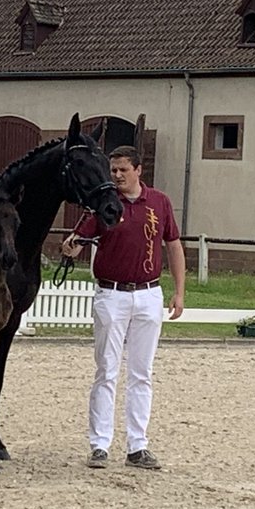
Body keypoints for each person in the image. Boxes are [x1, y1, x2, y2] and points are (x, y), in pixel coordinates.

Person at [61, 145, 185, 470]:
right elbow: (78, 238)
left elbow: (172, 244)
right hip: (111, 294)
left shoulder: (159, 202)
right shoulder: (102, 204)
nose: (117, 175)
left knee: (141, 373)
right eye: (113, 170)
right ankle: (100, 444)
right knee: (106, 370)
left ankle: (137, 445)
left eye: (122, 170)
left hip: (148, 293)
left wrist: (179, 291)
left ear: (138, 170)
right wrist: (71, 248)